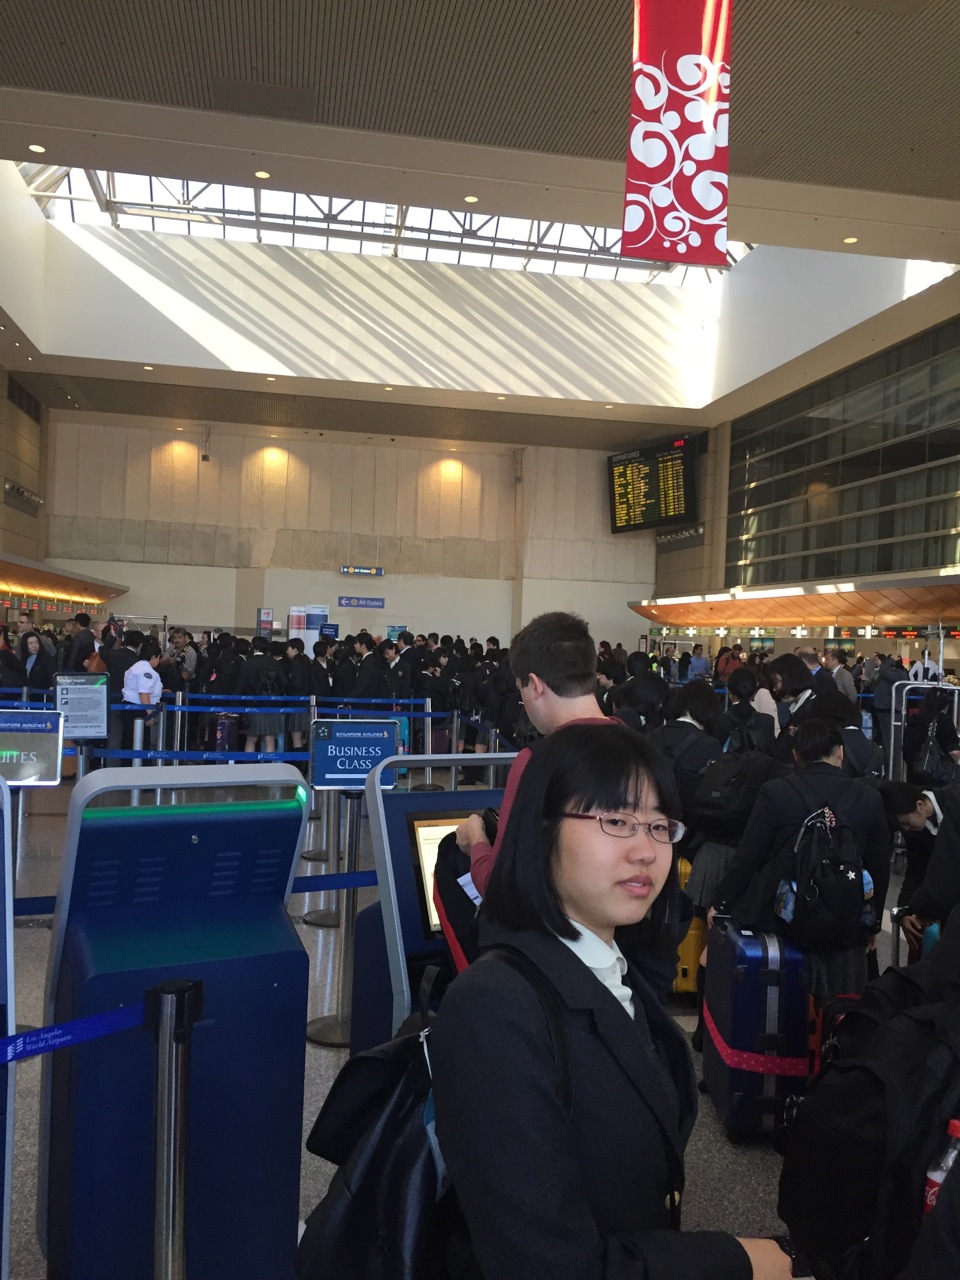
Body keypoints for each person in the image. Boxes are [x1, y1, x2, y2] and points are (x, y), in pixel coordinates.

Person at [432, 723, 793, 1280]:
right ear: (542, 830)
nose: (646, 850)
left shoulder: (615, 967)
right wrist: (737, 1260)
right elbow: (548, 1266)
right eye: (617, 821)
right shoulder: (495, 1010)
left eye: (659, 825)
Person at [711, 718, 890, 1002]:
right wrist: (872, 923)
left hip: (783, 917)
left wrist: (722, 902)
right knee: (843, 1001)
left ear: (796, 755)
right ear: (840, 752)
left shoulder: (776, 792)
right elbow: (878, 866)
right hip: (846, 918)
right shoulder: (868, 797)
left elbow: (749, 856)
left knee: (779, 1001)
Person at [454, 611, 607, 896]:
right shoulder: (642, 750)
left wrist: (476, 840)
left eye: (521, 690)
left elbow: (500, 883)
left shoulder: (537, 761)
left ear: (535, 685)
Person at [120, 637, 163, 760]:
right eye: (158, 658)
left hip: (130, 707)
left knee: (129, 740)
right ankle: (138, 767)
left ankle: (128, 765)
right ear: (153, 657)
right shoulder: (147, 671)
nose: (158, 661)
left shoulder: (136, 666)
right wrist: (149, 715)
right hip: (139, 709)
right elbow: (143, 693)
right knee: (140, 742)